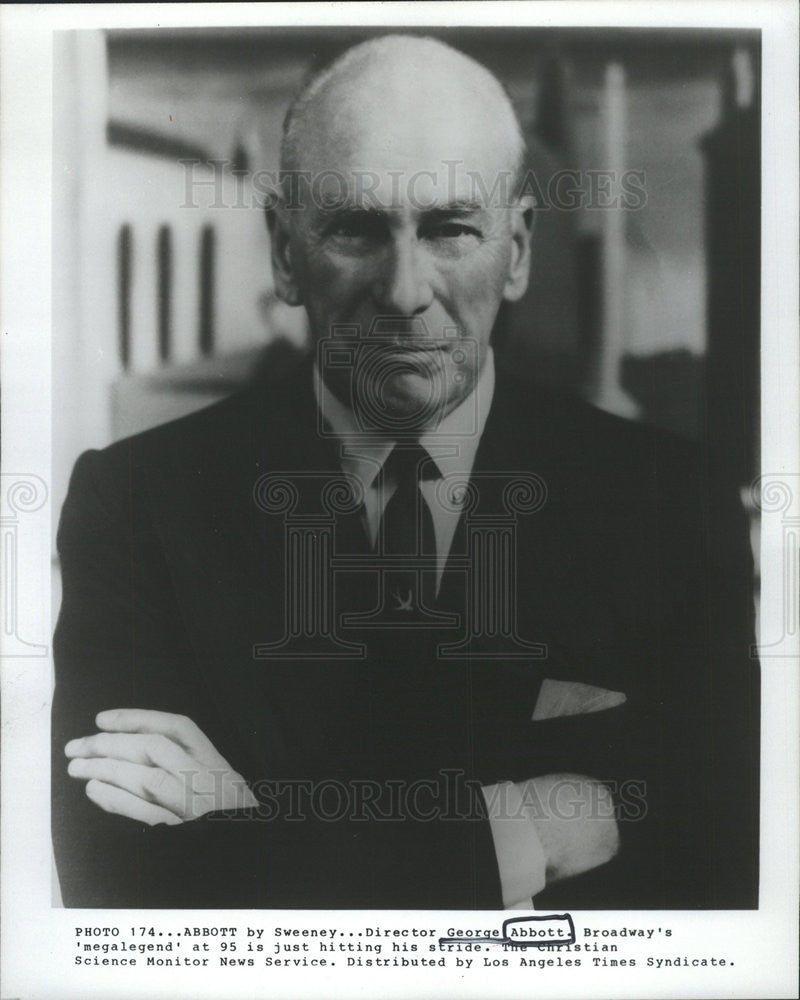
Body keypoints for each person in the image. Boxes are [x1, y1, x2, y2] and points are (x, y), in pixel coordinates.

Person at [52, 34, 759, 910]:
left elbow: (723, 861)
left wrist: (251, 824)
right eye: (355, 228)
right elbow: (118, 888)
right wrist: (536, 829)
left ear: (521, 248)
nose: (403, 291)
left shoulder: (670, 501)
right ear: (284, 251)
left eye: (450, 228)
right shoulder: (136, 507)